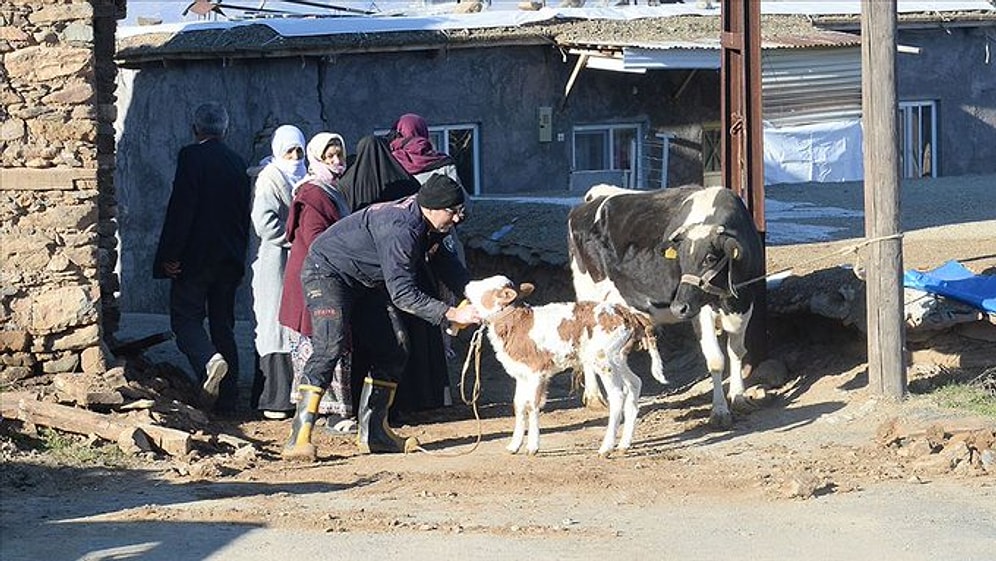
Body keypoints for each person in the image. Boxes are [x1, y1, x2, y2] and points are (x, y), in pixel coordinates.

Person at [282, 174, 480, 462]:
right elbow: (402, 294)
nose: (458, 218)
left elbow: (447, 265)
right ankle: (299, 436)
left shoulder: (433, 223)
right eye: (454, 212)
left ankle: (374, 433)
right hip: (326, 272)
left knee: (394, 347)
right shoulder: (401, 228)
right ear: (434, 208)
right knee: (330, 347)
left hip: (366, 281)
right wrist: (450, 313)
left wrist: (477, 295)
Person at [153, 101, 250, 414]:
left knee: (186, 320)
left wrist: (170, 254)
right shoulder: (238, 162)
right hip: (229, 259)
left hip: (194, 259)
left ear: (195, 129)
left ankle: (210, 362)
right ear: (225, 129)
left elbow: (183, 208)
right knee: (223, 325)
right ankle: (228, 399)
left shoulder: (191, 156)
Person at [388, 113, 468, 413]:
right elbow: (460, 204)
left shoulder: (392, 159)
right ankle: (439, 388)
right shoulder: (442, 163)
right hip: (435, 240)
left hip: (411, 249)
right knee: (443, 314)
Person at [278, 131, 357, 433]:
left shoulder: (332, 190)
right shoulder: (312, 194)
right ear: (317, 159)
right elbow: (315, 239)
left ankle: (328, 411)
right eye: (330, 156)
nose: (337, 162)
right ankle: (327, 412)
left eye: (340, 155)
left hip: (331, 274)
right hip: (315, 280)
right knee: (322, 343)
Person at [251, 124, 307, 420]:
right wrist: (293, 238)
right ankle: (274, 398)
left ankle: (294, 394)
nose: (296, 157)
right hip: (275, 260)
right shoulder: (270, 179)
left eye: (299, 150)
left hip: (298, 261)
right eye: (290, 151)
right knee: (274, 324)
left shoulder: (306, 177)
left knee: (295, 325)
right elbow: (264, 222)